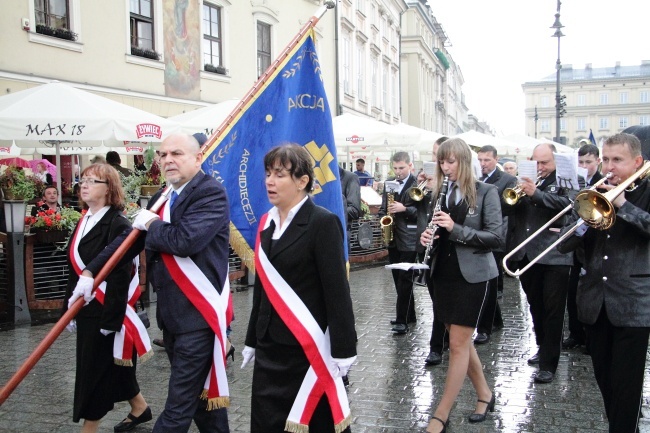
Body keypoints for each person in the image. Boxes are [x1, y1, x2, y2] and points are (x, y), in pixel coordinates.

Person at [78, 134, 231, 433]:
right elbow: (129, 241)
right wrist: (91, 273)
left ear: (198, 157)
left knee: (176, 411)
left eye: (177, 153)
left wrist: (151, 223)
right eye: (162, 155)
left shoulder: (210, 193)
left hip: (198, 318)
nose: (167, 160)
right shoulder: (163, 196)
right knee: (203, 404)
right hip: (173, 317)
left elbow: (185, 240)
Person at [241, 144, 357, 433]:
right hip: (270, 348)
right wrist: (253, 338)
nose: (269, 181)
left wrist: (344, 349)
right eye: (268, 173)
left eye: (279, 174)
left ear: (303, 181)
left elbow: (337, 293)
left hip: (306, 351)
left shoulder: (322, 223)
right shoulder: (267, 223)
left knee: (312, 424)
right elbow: (263, 289)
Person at [558, 132, 650, 433]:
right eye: (606, 159)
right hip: (595, 302)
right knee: (606, 381)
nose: (609, 167)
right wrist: (585, 220)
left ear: (637, 162)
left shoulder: (647, 191)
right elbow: (563, 245)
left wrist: (623, 204)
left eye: (617, 160)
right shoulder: (593, 193)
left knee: (627, 387)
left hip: (633, 304)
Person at [420, 138, 502, 433]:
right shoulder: (438, 194)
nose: (445, 167)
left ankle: (441, 414)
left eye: (451, 161)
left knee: (456, 344)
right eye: (442, 161)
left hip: (473, 276)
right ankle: (484, 394)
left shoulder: (486, 192)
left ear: (464, 162)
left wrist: (456, 229)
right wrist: (427, 237)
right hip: (442, 274)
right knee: (461, 341)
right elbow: (434, 230)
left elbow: (496, 238)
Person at [63, 163, 151, 433]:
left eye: (93, 181)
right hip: (85, 308)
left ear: (109, 189)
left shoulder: (117, 223)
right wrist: (69, 308)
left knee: (94, 372)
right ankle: (139, 407)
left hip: (105, 311)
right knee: (111, 365)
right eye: (83, 179)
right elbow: (75, 268)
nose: (84, 184)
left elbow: (120, 275)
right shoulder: (84, 219)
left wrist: (112, 320)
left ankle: (89, 428)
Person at [507, 143, 576, 384]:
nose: (540, 167)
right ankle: (541, 346)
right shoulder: (525, 179)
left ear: (555, 161)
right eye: (536, 162)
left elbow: (567, 206)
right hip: (526, 253)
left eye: (545, 162)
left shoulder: (566, 179)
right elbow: (508, 209)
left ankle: (550, 363)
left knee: (553, 310)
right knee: (535, 305)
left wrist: (535, 193)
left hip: (554, 253)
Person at [473, 145, 517, 344]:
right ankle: (495, 319)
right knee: (486, 283)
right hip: (476, 234)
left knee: (489, 283)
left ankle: (486, 327)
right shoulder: (475, 177)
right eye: (480, 160)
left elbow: (508, 209)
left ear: (496, 159)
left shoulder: (507, 180)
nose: (482, 164)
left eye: (487, 160)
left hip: (495, 236)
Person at [563, 143, 604, 351]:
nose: (585, 166)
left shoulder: (602, 183)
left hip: (594, 246)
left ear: (598, 161)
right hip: (577, 248)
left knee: (591, 293)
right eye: (581, 162)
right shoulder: (575, 183)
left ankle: (590, 337)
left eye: (589, 162)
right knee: (573, 294)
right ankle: (575, 333)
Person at [379, 151, 422, 334]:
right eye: (395, 168)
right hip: (393, 237)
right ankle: (409, 314)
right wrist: (383, 217)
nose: (398, 172)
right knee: (398, 279)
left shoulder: (418, 184)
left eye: (402, 168)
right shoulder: (389, 183)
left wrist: (404, 209)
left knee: (405, 280)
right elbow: (383, 208)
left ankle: (401, 320)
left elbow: (422, 213)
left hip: (410, 238)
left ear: (410, 165)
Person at [415, 135, 448, 365]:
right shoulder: (433, 183)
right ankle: (439, 343)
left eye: (439, 155)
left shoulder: (454, 184)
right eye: (435, 155)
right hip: (430, 246)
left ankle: (438, 346)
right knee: (436, 300)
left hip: (450, 249)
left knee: (443, 302)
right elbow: (423, 211)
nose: (436, 159)